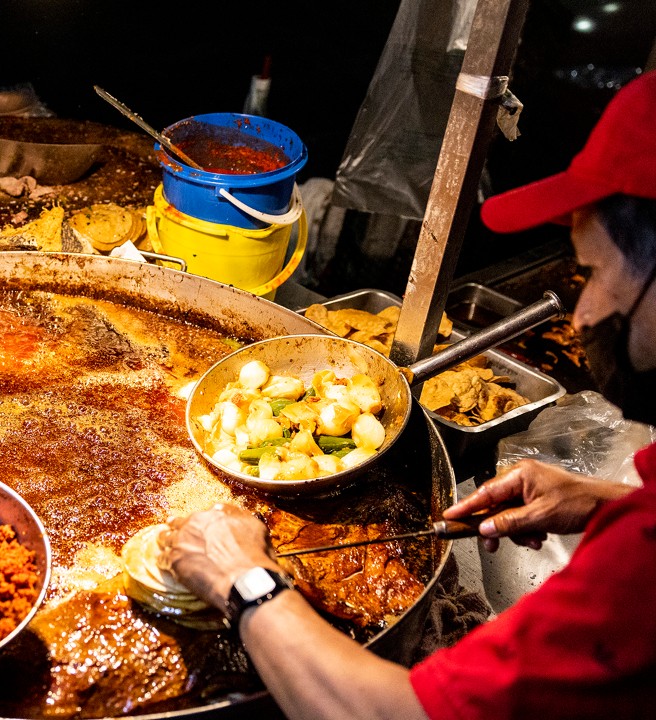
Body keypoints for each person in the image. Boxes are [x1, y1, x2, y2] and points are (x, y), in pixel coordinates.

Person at [162, 70, 656, 720]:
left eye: (590, 272)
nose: (582, 311)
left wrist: (241, 578)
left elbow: (391, 714)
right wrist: (602, 502)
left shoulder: (639, 573)